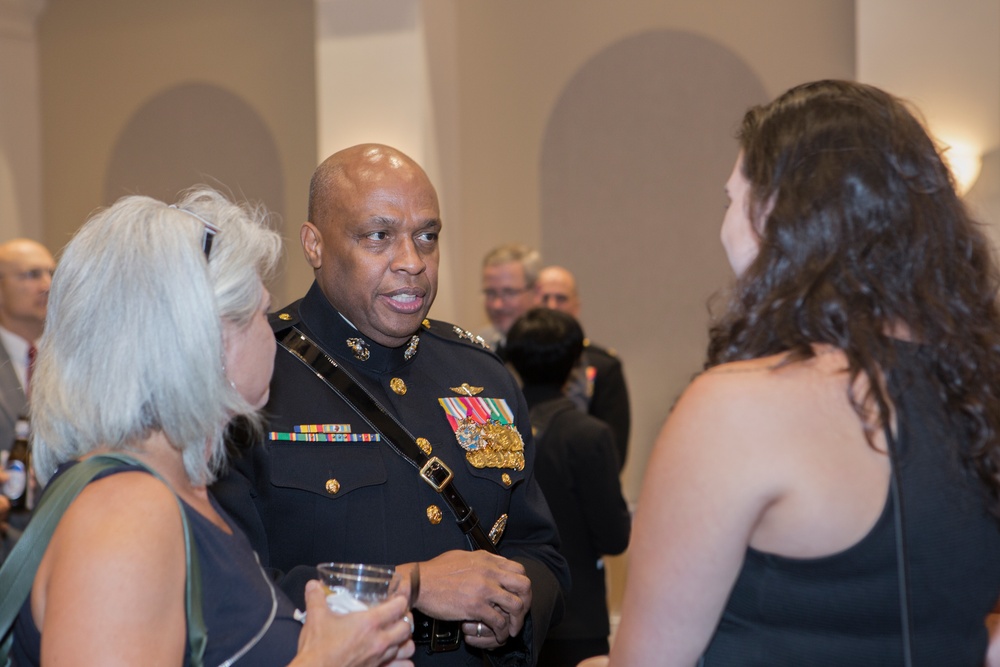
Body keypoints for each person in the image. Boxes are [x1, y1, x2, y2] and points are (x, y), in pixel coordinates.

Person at [604, 80, 1000, 666]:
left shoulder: (738, 407)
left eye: (731, 199)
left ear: (776, 214)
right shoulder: (981, 391)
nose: (724, 225)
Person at [7, 188, 415, 666]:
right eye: (261, 314)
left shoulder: (175, 489)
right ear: (210, 340)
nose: (274, 335)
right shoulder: (126, 514)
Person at [212, 144, 569, 666]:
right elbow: (229, 586)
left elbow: (540, 549)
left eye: (427, 236)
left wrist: (519, 602)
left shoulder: (481, 375)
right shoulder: (254, 373)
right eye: (378, 236)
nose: (412, 262)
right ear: (314, 245)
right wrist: (407, 589)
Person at [504, 308, 630, 667]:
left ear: (512, 359)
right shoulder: (589, 435)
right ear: (576, 362)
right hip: (579, 616)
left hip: (511, 614)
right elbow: (614, 538)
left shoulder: (489, 430)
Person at [535, 266, 631, 469]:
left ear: (576, 306)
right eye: (545, 298)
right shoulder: (512, 360)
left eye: (561, 298)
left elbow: (614, 453)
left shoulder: (604, 367)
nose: (551, 306)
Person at [0, 238, 55, 561]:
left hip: (65, 540)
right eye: (32, 275)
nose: (47, 285)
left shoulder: (71, 361)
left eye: (51, 273)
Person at [479, 243, 541, 357]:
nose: (497, 305)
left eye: (509, 292)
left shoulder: (556, 349)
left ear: (536, 292)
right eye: (490, 293)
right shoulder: (476, 346)